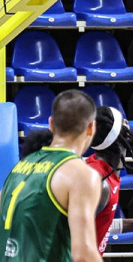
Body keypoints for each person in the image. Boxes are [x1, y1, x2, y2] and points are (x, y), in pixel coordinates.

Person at [21, 106, 133, 256]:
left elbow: (91, 224)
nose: (128, 122)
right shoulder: (99, 182)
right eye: (124, 122)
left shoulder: (102, 171)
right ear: (120, 136)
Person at [0, 90, 103, 262]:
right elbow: (84, 255)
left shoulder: (20, 167)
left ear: (51, 124)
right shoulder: (81, 174)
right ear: (91, 127)